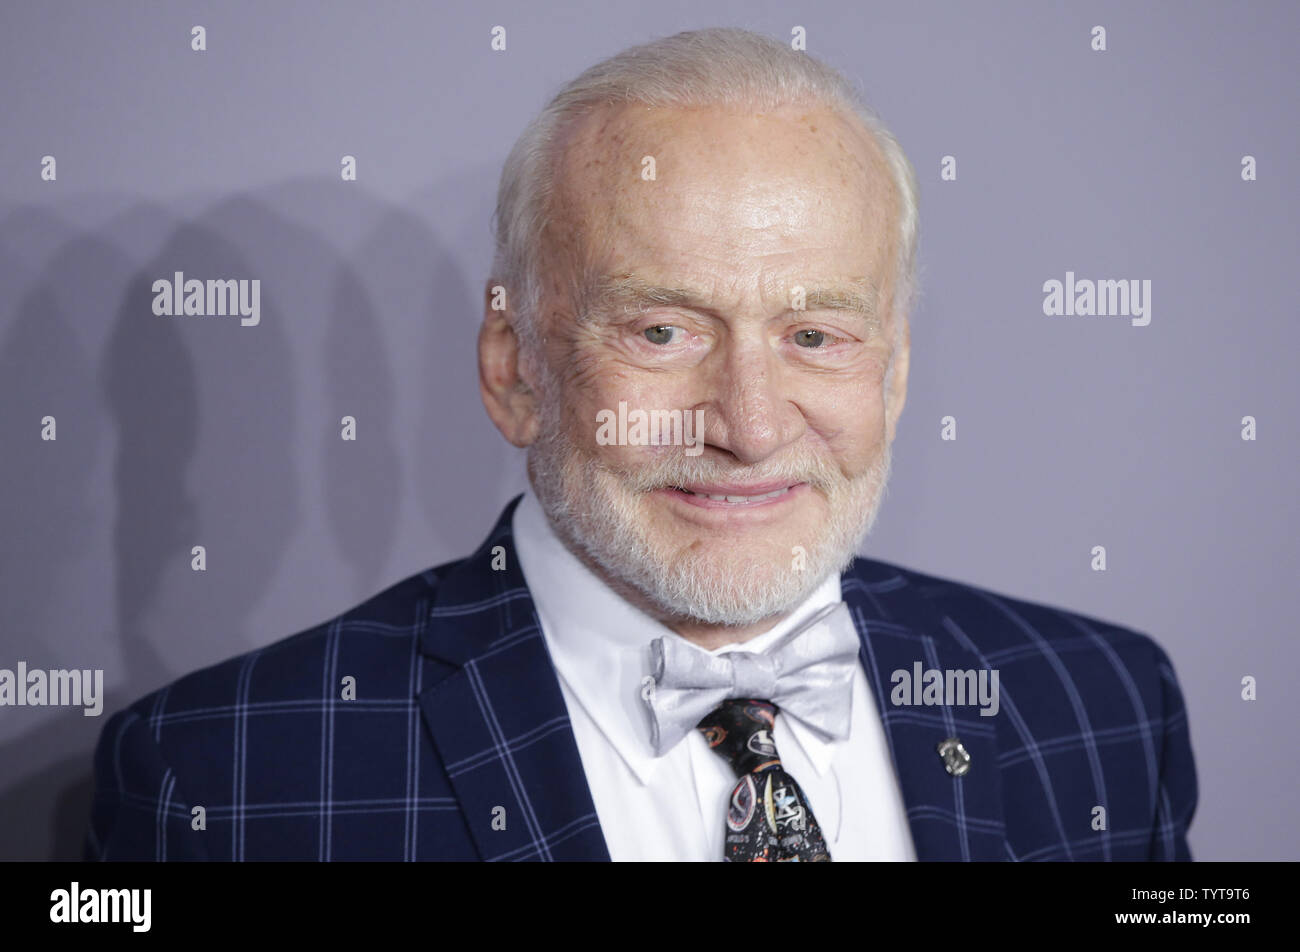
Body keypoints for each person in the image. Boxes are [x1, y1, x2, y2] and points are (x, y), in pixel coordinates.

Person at [85, 27, 1195, 862]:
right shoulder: (224, 779)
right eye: (663, 330)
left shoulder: (1101, 704)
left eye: (814, 335)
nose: (749, 425)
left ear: (894, 371)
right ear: (514, 364)